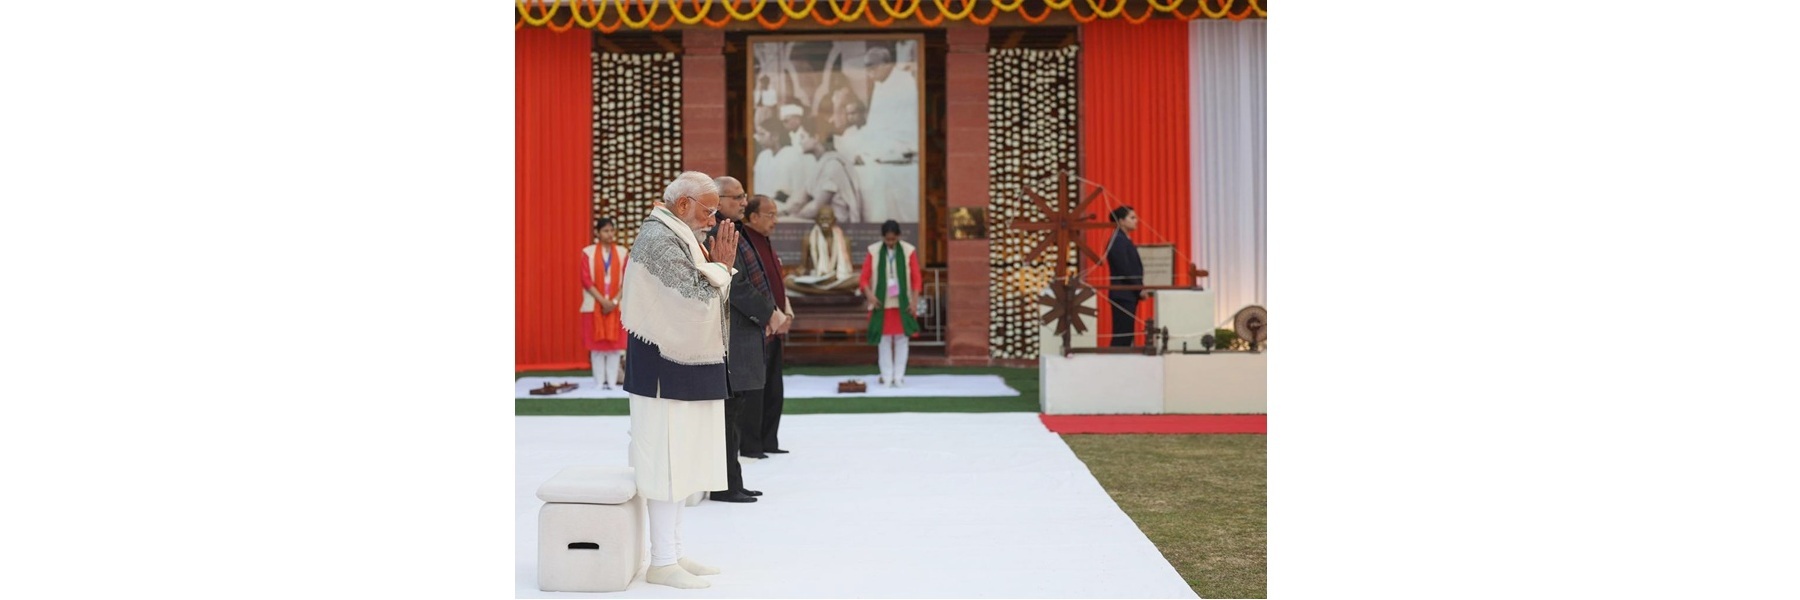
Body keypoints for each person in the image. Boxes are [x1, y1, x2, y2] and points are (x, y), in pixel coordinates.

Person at [619, 171, 736, 589]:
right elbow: (694, 300)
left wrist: (716, 269)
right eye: (709, 211)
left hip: (678, 366)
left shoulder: (678, 233)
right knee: (665, 466)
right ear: (683, 204)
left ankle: (675, 552)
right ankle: (662, 561)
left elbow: (703, 292)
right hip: (661, 370)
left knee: (682, 463)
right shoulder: (658, 239)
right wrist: (722, 268)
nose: (713, 220)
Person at [707, 176, 786, 501]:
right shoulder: (716, 232)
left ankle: (733, 482)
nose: (743, 202)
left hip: (743, 331)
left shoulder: (732, 229)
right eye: (737, 197)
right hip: (732, 333)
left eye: (744, 196)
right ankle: (725, 486)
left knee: (735, 412)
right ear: (717, 200)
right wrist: (769, 313)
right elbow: (735, 284)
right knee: (730, 413)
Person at [739, 194, 794, 456]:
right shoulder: (745, 241)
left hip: (776, 326)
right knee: (755, 391)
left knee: (774, 388)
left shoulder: (765, 241)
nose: (775, 220)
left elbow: (775, 283)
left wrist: (787, 312)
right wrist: (771, 315)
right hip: (758, 327)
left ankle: (769, 440)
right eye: (770, 215)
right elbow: (750, 286)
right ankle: (751, 445)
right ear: (753, 217)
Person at [859, 220, 923, 387]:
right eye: (887, 239)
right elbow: (863, 279)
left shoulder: (909, 251)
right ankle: (887, 376)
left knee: (902, 341)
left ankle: (899, 377)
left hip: (903, 303)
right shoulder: (873, 251)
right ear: (883, 237)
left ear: (898, 236)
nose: (890, 242)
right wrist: (870, 296)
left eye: (893, 239)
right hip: (881, 303)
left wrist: (914, 301)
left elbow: (917, 279)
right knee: (884, 341)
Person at [580, 218, 628, 389]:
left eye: (611, 231)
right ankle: (599, 383)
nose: (609, 234)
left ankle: (613, 383)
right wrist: (603, 302)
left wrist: (613, 302)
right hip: (594, 305)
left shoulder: (622, 253)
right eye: (605, 231)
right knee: (597, 348)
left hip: (616, 305)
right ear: (598, 233)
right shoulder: (588, 252)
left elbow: (627, 280)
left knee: (615, 348)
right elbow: (586, 280)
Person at [783, 205, 859, 295]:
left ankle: (817, 292)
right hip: (816, 278)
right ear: (816, 220)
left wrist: (834, 276)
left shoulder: (844, 240)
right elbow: (803, 266)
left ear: (834, 220)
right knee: (788, 281)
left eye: (828, 219)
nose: (824, 222)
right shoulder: (808, 239)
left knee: (858, 279)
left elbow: (848, 267)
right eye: (822, 219)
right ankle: (830, 292)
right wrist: (800, 271)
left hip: (836, 279)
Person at [1104, 205, 1148, 347]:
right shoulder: (1118, 240)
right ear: (1121, 221)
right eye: (1132, 217)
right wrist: (1139, 288)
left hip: (1127, 294)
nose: (1136, 221)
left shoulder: (1123, 239)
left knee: (1126, 335)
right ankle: (1116, 359)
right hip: (1123, 294)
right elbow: (1125, 268)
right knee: (1122, 336)